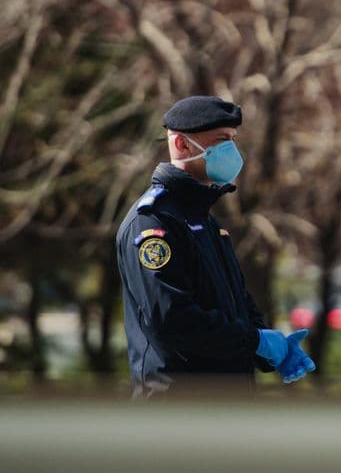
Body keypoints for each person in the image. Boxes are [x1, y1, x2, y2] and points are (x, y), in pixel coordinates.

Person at [116, 95, 315, 398]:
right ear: (181, 145)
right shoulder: (154, 223)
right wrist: (254, 341)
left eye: (233, 140)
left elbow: (237, 304)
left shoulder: (206, 222)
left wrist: (270, 347)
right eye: (221, 140)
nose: (231, 151)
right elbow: (173, 321)